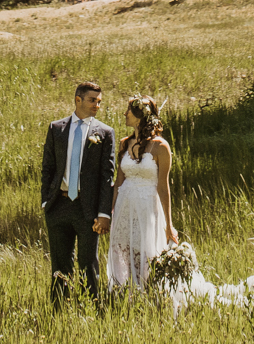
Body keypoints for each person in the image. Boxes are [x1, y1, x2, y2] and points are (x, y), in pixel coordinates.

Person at [39, 80, 114, 303]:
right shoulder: (56, 128)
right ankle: (59, 310)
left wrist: (103, 213)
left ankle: (92, 308)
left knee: (88, 263)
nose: (97, 106)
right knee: (60, 266)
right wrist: (46, 202)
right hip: (59, 206)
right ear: (78, 99)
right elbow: (48, 168)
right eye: (92, 100)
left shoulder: (105, 133)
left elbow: (106, 176)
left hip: (87, 208)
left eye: (99, 102)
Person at [106, 95, 179, 292]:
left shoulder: (160, 147)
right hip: (125, 204)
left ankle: (148, 291)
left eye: (128, 110)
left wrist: (169, 225)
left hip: (148, 207)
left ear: (140, 115)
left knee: (146, 251)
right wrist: (110, 211)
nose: (124, 114)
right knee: (122, 248)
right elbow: (118, 181)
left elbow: (163, 187)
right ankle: (124, 292)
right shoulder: (124, 144)